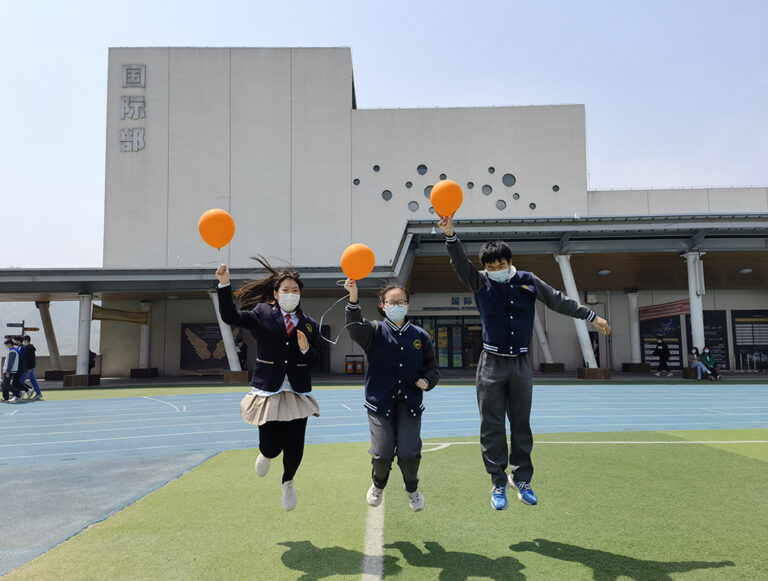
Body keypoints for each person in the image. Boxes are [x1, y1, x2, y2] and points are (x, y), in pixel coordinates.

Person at [438, 214, 611, 511]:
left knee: (521, 423)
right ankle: (497, 482)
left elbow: (558, 300)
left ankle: (522, 478)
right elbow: (459, 264)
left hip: (519, 364)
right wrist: (450, 235)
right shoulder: (480, 284)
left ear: (509, 262)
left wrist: (591, 316)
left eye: (500, 266)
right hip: (491, 364)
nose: (495, 271)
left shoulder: (528, 281)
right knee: (491, 424)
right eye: (489, 267)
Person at [215, 257, 321, 511]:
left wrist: (306, 349)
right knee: (272, 446)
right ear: (275, 293)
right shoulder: (262, 313)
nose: (290, 294)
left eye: (295, 291)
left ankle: (288, 481)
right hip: (268, 389)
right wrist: (224, 284)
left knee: (295, 446)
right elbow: (230, 316)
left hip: (297, 391)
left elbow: (317, 359)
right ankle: (265, 454)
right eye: (285, 290)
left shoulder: (309, 324)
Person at [344, 278, 440, 512]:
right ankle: (378, 484)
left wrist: (427, 381)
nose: (397, 305)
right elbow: (355, 327)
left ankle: (412, 489)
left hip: (410, 404)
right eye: (391, 302)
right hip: (380, 404)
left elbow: (432, 368)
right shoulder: (374, 332)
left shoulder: (420, 336)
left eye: (401, 302)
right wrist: (353, 298)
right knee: (382, 454)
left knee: (408, 454)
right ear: (382, 305)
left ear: (408, 304)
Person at [1, 338, 25, 403]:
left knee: (6, 384)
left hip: (10, 371)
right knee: (3, 384)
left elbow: (10, 362)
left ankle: (19, 393)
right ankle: (6, 398)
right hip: (10, 371)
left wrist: (8, 371)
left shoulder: (13, 352)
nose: (6, 347)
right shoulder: (13, 351)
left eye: (6, 345)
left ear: (10, 344)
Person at [19, 335, 42, 400]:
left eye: (23, 340)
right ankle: (38, 394)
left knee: (20, 381)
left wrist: (29, 368)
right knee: (33, 380)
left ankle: (24, 391)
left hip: (29, 368)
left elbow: (31, 359)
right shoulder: (30, 348)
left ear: (26, 340)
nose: (22, 342)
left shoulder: (29, 349)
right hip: (31, 368)